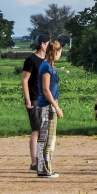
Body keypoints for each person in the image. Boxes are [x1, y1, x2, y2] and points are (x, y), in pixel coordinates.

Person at [35, 40, 66, 178]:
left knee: (46, 137)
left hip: (48, 104)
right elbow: (46, 90)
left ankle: (42, 168)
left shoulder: (47, 65)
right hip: (47, 106)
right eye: (59, 52)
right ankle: (45, 169)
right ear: (55, 52)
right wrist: (56, 106)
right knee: (47, 137)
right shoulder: (46, 67)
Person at [19, 36, 47, 172]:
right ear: (42, 44)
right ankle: (34, 162)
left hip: (44, 98)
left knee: (44, 131)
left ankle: (42, 160)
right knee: (36, 130)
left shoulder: (47, 60)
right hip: (35, 98)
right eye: (48, 43)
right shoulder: (31, 60)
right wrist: (28, 99)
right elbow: (24, 80)